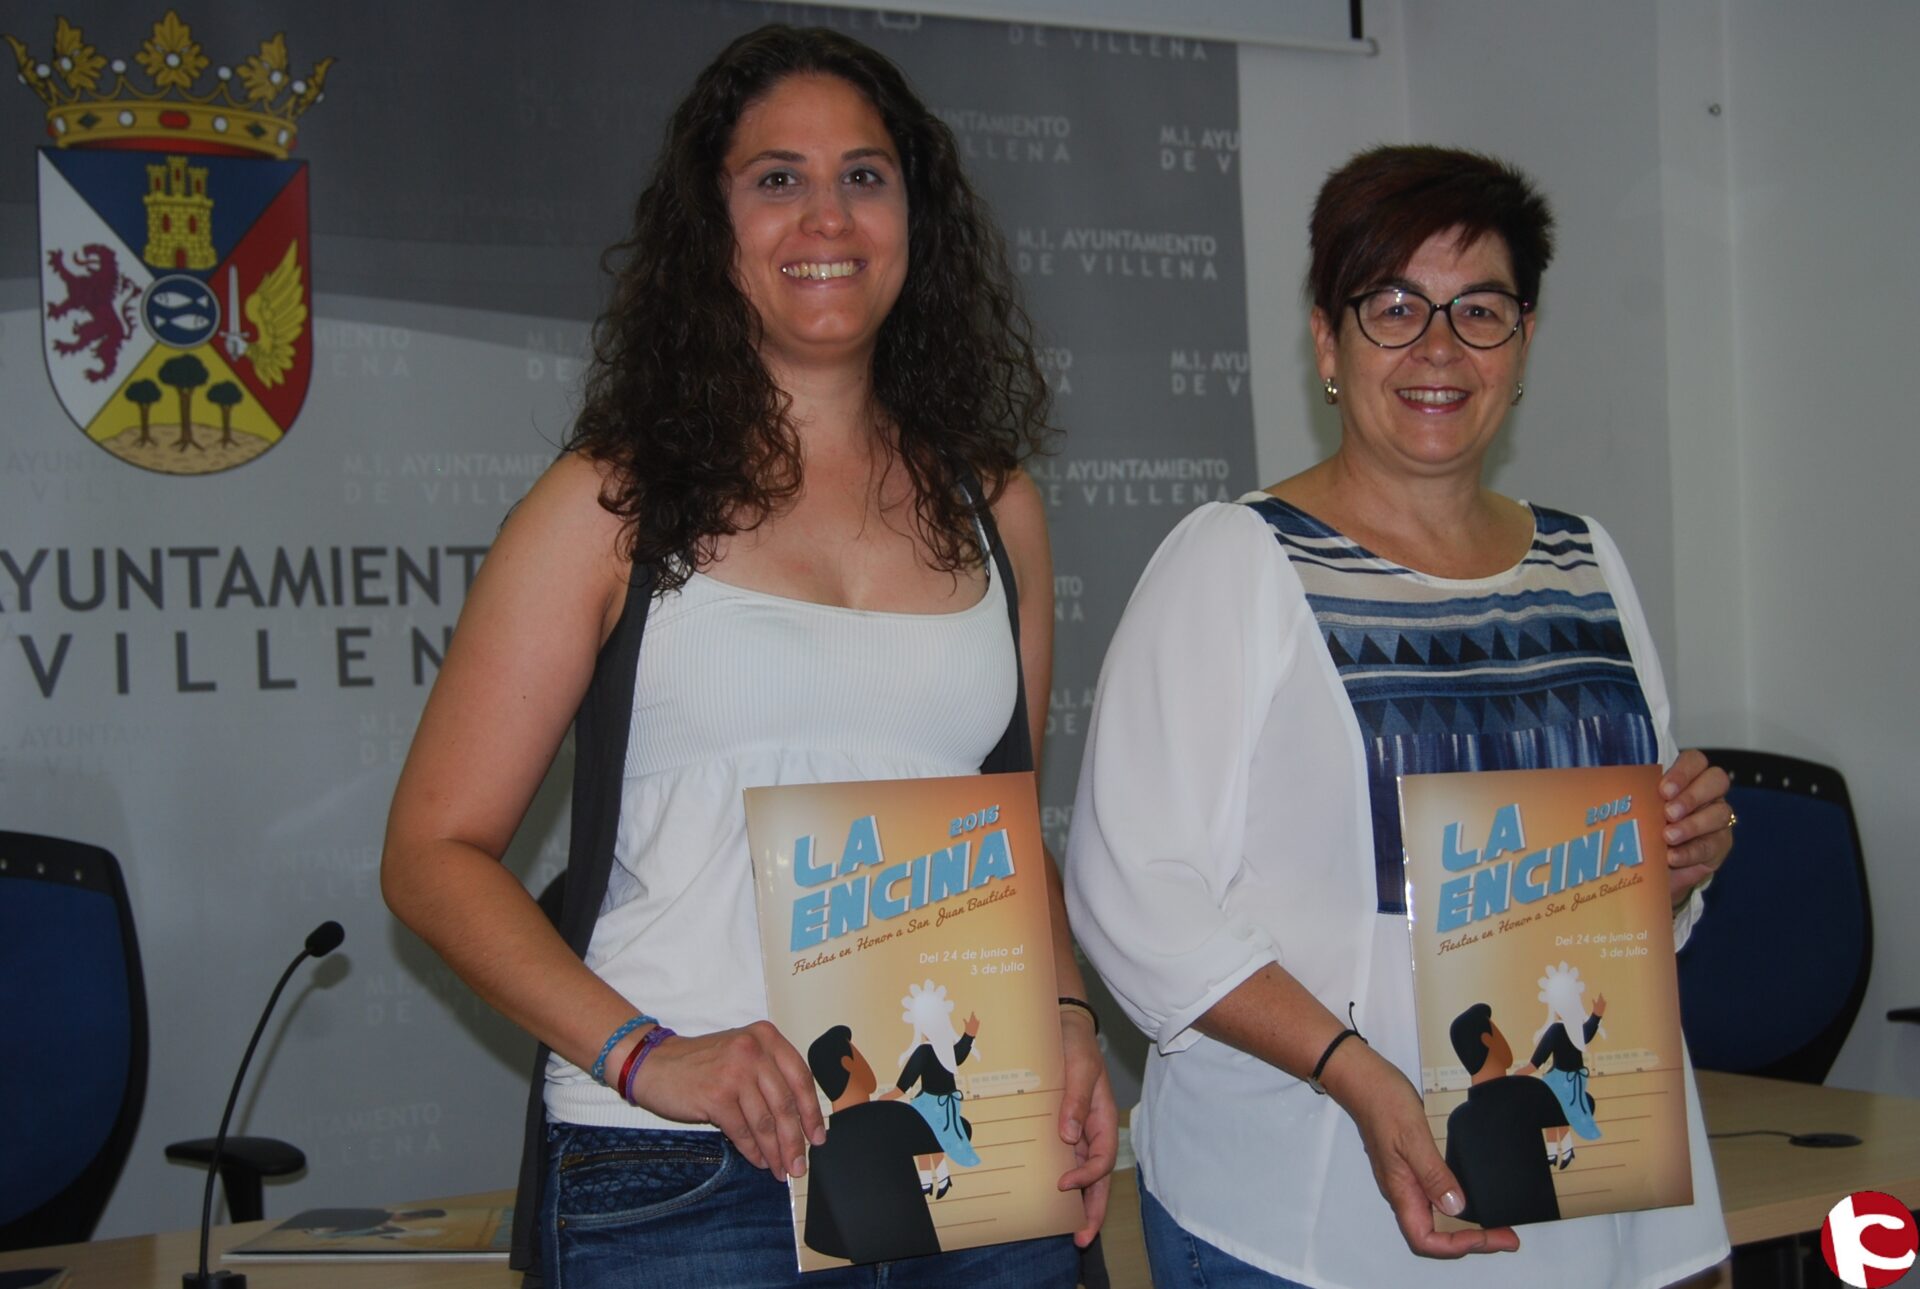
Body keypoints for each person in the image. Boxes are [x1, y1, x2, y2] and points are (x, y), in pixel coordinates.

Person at [380, 25, 1114, 1289]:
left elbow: (1005, 826)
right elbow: (431, 854)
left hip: (968, 1144)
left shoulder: (998, 507)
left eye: (865, 176)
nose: (827, 215)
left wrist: (1067, 1016)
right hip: (688, 1170)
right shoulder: (609, 504)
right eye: (779, 177)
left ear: (914, 218)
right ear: (711, 225)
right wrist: (644, 1051)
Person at [1065, 144, 1734, 1288]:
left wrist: (1674, 865)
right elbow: (1134, 890)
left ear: (1523, 340)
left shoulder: (1586, 561)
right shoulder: (1239, 560)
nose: (1439, 347)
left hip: (1572, 1189)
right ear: (1327, 342)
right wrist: (1355, 1069)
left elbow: (1614, 903)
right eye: (1394, 307)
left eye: (1480, 309)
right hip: (1306, 1207)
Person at [803, 1025, 945, 1263]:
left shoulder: (822, 1149)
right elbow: (949, 1138)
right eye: (859, 1055)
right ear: (848, 1063)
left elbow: (820, 1238)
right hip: (922, 1258)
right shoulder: (893, 1117)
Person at [1442, 1004, 1568, 1228]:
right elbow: (1576, 1113)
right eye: (1498, 1033)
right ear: (1487, 1040)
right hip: (1548, 1224)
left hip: (1495, 1232)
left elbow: (1459, 1202)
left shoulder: (1458, 1120)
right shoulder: (1527, 1091)